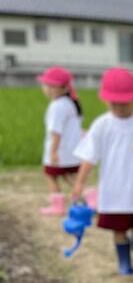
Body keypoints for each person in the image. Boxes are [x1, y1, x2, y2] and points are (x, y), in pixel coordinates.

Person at [71, 68, 133, 275]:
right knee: (119, 228)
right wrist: (79, 183)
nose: (119, 107)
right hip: (114, 188)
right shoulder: (102, 125)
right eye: (114, 103)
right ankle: (124, 260)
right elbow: (89, 156)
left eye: (123, 102)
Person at [38, 66, 83, 216]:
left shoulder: (56, 106)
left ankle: (57, 206)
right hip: (72, 151)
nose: (46, 88)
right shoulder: (70, 103)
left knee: (51, 176)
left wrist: (53, 152)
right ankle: (85, 199)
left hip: (60, 150)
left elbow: (56, 132)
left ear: (62, 88)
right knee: (71, 177)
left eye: (51, 85)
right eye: (46, 85)